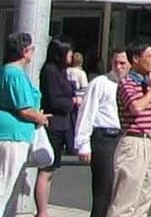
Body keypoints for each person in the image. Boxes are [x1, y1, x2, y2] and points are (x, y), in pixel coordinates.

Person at [108, 43, 151, 217]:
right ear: (136, 59)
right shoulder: (127, 83)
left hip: (148, 140)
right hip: (133, 142)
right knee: (125, 200)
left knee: (144, 198)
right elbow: (136, 108)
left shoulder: (145, 83)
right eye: (150, 56)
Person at [0, 34, 50, 217]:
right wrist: (40, 118)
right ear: (24, 51)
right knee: (7, 185)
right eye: (31, 48)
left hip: (9, 133)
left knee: (9, 185)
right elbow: (24, 109)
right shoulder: (15, 74)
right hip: (14, 135)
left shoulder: (6, 71)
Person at [76, 50, 129, 217]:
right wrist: (83, 144)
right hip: (104, 138)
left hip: (125, 138)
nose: (118, 67)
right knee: (103, 192)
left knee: (123, 192)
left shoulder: (132, 85)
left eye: (122, 63)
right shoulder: (100, 83)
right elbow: (86, 112)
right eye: (115, 63)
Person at [38, 39, 79, 216]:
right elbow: (54, 100)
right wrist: (72, 102)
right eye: (68, 52)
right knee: (46, 168)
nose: (71, 56)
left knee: (51, 170)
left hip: (62, 124)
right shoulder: (50, 71)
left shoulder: (61, 72)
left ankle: (43, 209)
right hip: (53, 123)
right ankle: (42, 211)